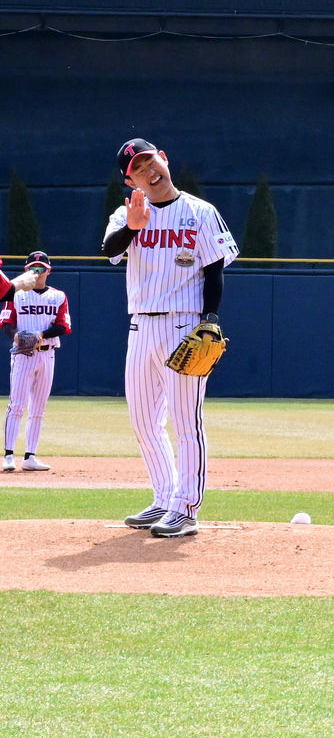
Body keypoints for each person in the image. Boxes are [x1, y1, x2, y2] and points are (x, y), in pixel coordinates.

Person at [103, 138, 238, 538]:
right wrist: (132, 226)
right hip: (141, 324)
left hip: (184, 324)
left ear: (164, 158)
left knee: (185, 421)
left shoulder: (200, 212)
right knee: (143, 420)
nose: (150, 172)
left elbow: (214, 271)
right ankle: (164, 497)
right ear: (130, 181)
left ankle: (186, 508)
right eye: (139, 170)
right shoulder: (127, 213)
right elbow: (109, 250)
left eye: (151, 161)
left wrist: (210, 320)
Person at [1, 251, 70, 473]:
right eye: (33, 268)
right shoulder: (15, 294)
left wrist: (40, 335)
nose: (37, 272)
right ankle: (9, 455)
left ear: (49, 271)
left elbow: (63, 327)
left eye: (41, 268)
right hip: (23, 355)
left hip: (47, 354)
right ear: (26, 270)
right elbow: (6, 323)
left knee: (38, 408)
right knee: (17, 405)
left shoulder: (58, 296)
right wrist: (16, 335)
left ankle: (30, 456)